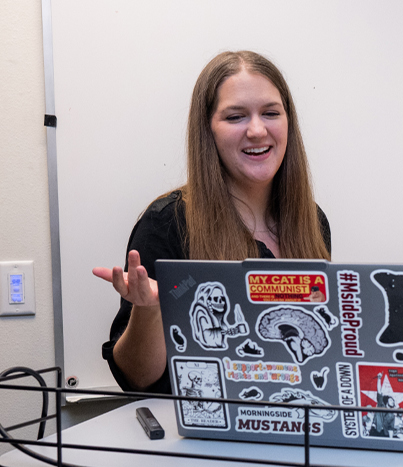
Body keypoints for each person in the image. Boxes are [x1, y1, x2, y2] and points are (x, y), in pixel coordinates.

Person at [96, 51, 332, 394]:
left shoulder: (312, 221)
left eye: (270, 113)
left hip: (292, 428)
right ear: (208, 130)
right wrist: (149, 312)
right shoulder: (167, 224)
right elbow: (137, 378)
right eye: (235, 116)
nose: (256, 130)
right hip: (200, 441)